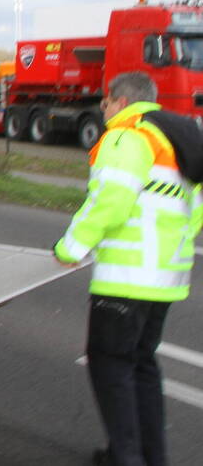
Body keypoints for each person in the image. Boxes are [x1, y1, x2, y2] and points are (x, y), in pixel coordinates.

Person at [54, 72, 203, 466]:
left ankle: (126, 456)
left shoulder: (127, 135)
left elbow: (111, 201)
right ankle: (152, 455)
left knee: (111, 364)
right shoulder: (178, 140)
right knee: (141, 365)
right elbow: (195, 210)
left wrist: (71, 247)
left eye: (105, 103)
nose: (104, 111)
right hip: (167, 279)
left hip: (126, 278)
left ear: (120, 101)